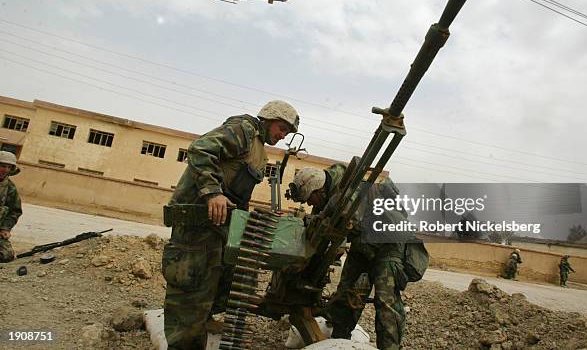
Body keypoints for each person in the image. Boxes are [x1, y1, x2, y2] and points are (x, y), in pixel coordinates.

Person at [161, 100, 299, 350]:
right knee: (190, 298)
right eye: (281, 128)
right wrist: (212, 192)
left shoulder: (257, 148)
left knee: (213, 288)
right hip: (197, 229)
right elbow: (201, 149)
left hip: (215, 230)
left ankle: (203, 324)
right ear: (268, 119)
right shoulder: (243, 130)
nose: (282, 136)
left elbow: (235, 194)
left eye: (287, 133)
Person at [288, 164, 427, 350]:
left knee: (386, 303)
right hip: (364, 244)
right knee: (348, 295)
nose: (310, 204)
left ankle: (390, 347)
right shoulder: (330, 196)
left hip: (388, 246)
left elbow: (347, 223)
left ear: (318, 190)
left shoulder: (350, 191)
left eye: (310, 198)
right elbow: (323, 223)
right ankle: (338, 342)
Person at [0, 151, 23, 263]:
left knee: (7, 255)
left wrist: (5, 228)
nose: (5, 170)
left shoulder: (10, 187)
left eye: (9, 167)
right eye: (3, 166)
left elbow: (15, 211)